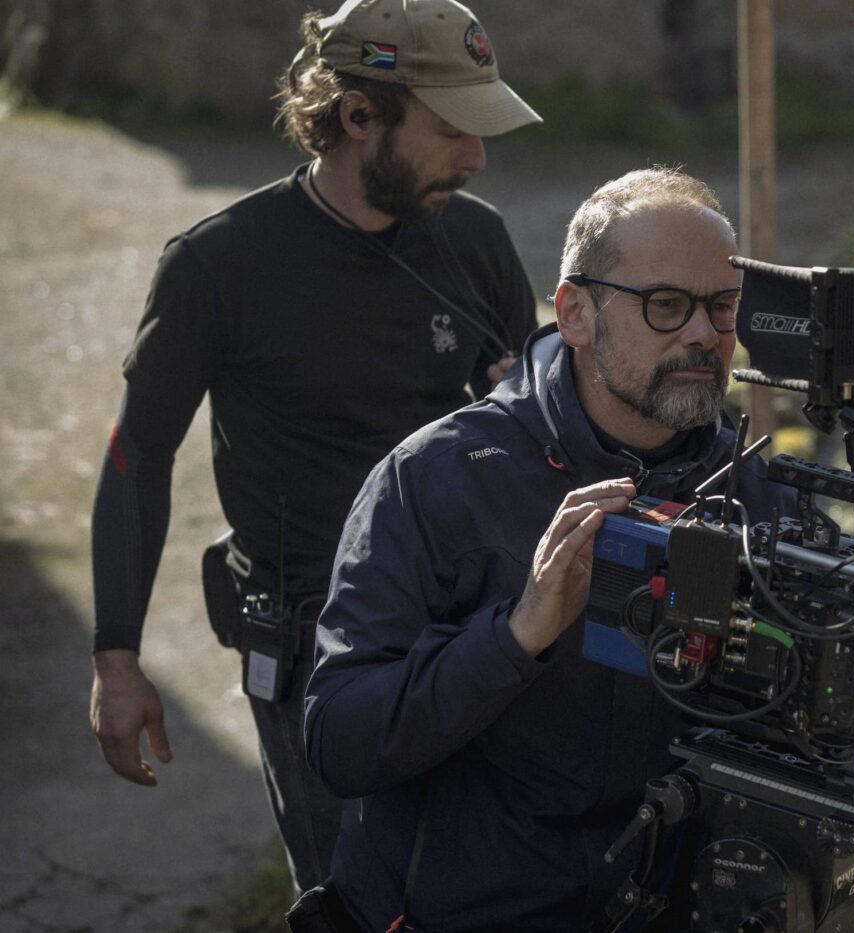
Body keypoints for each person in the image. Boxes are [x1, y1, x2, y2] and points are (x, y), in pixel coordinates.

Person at [304, 167, 854, 931]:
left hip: (678, 897)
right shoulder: (437, 480)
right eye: (666, 306)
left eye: (722, 307)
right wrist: (516, 634)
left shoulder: (759, 487)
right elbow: (339, 741)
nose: (704, 334)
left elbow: (811, 706)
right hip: (482, 905)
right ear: (575, 314)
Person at [87, 0, 540, 895]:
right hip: (316, 660)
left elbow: (532, 418)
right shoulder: (220, 265)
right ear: (357, 115)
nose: (477, 156)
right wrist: (117, 657)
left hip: (467, 631)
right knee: (353, 901)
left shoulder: (475, 238)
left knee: (492, 890)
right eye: (452, 129)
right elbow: (136, 457)